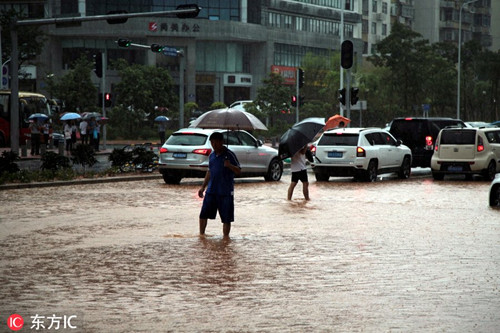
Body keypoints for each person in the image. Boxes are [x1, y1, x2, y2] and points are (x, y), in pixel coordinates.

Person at [198, 132, 241, 237]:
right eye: (212, 143)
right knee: (203, 215)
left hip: (225, 192)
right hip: (211, 190)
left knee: (226, 218)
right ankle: (201, 235)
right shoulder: (212, 155)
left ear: (221, 142)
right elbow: (209, 171)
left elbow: (239, 170)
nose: (214, 145)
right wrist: (203, 187)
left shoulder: (229, 155)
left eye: (215, 142)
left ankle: (226, 239)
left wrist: (229, 165)